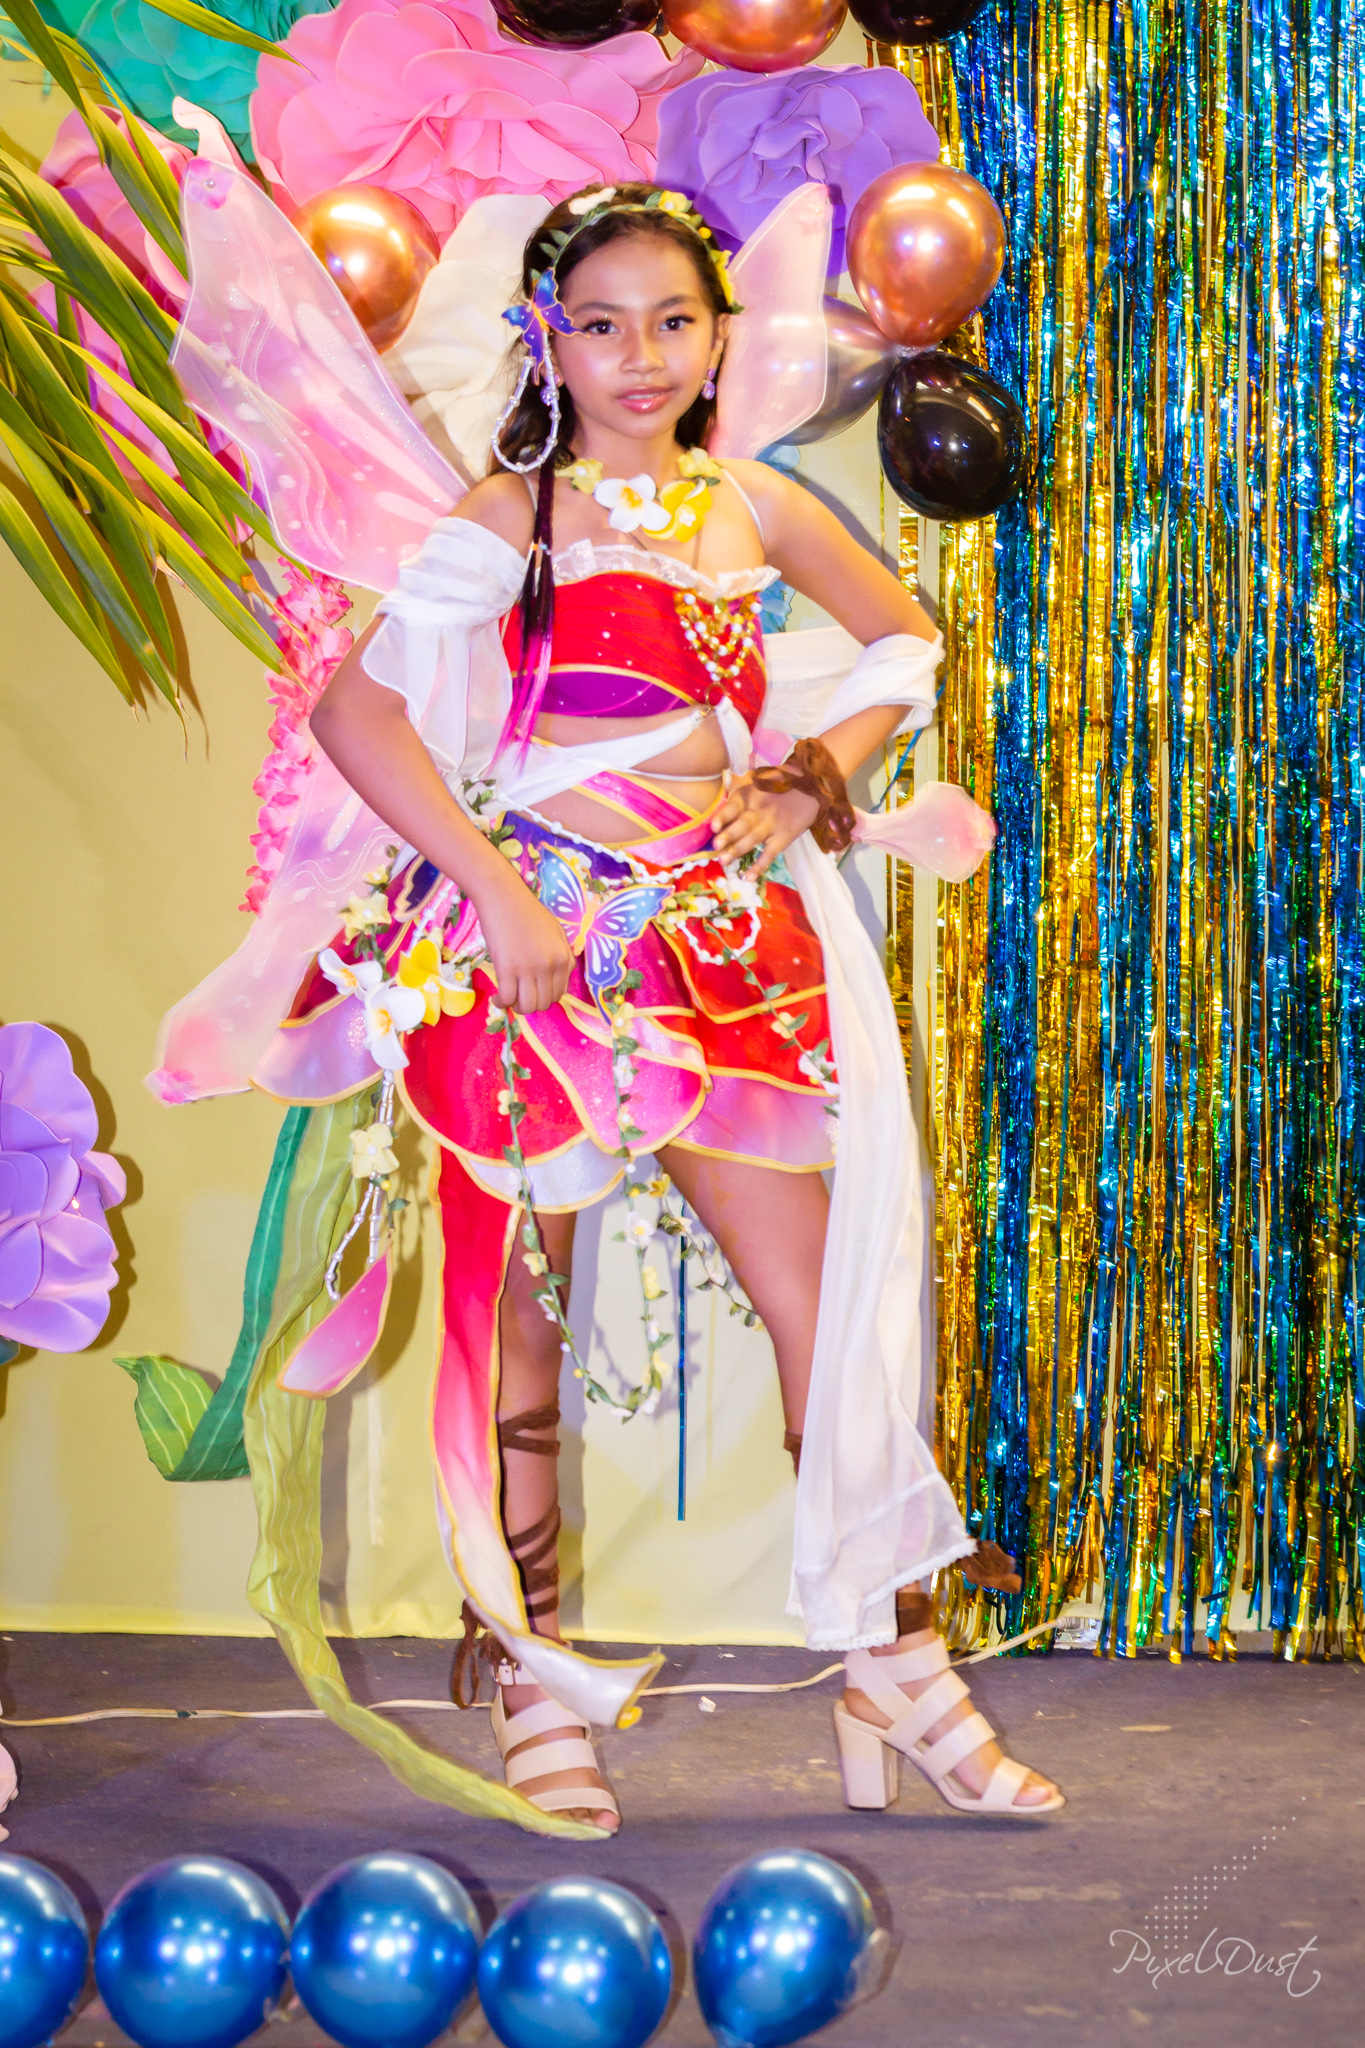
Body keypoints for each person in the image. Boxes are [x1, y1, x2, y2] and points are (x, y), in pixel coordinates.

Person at [298, 181, 1063, 1833]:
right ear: (547, 342)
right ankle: (531, 1675)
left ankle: (887, 1665)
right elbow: (356, 717)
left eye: (672, 321)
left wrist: (809, 778)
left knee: (827, 1309)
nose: (639, 356)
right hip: (540, 951)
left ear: (719, 336)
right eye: (600, 324)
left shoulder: (755, 504)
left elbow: (903, 646)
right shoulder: (513, 516)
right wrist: (497, 897)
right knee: (521, 1322)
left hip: (716, 943)